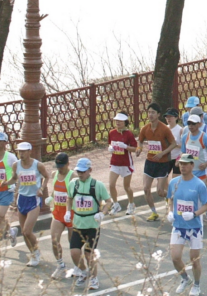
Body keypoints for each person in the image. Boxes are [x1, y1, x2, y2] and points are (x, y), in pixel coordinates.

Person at [64, 158, 113, 291]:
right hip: (78, 224)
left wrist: (102, 213)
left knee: (88, 254)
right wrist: (68, 211)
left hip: (92, 226)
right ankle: (84, 272)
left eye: (83, 172)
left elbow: (108, 202)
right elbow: (69, 198)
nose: (80, 174)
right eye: (78, 171)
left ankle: (94, 278)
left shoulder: (98, 185)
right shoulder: (73, 184)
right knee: (74, 252)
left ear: (90, 171)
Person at [167, 153, 207, 296]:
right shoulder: (174, 182)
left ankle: (197, 285)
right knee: (175, 257)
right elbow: (170, 199)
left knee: (194, 259)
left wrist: (194, 214)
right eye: (181, 164)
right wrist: (170, 212)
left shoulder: (199, 184)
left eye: (186, 164)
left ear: (192, 165)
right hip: (179, 226)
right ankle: (185, 279)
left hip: (195, 227)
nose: (183, 167)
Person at [9, 141, 49, 266]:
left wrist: (41, 189)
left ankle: (36, 251)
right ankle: (33, 254)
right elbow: (15, 180)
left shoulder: (38, 165)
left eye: (24, 151)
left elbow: (47, 177)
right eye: (19, 151)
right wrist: (6, 185)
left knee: (27, 231)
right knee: (23, 232)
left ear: (29, 151)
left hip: (33, 199)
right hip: (22, 199)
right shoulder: (16, 165)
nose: (21, 154)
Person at [138, 102, 178, 221]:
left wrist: (162, 153)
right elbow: (140, 141)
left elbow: (174, 144)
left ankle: (174, 199)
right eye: (149, 112)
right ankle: (154, 212)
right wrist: (139, 149)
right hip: (150, 162)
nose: (150, 115)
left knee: (160, 191)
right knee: (146, 188)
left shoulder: (164, 129)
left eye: (153, 112)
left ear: (158, 114)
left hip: (163, 163)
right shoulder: (145, 128)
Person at [48, 153, 74, 278]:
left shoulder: (73, 176)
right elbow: (56, 189)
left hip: (71, 214)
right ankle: (60, 265)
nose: (59, 168)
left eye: (62, 166)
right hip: (58, 213)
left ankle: (79, 267)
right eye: (58, 166)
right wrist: (51, 197)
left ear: (68, 164)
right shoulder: (54, 175)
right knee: (54, 240)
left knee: (73, 244)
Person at [107, 112, 139, 215]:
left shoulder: (129, 134)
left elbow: (135, 149)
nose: (118, 122)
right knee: (111, 185)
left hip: (126, 164)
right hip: (115, 162)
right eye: (116, 121)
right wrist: (110, 148)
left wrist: (125, 147)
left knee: (126, 187)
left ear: (125, 122)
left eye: (120, 121)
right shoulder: (112, 133)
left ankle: (131, 204)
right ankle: (116, 205)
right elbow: (110, 144)